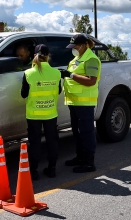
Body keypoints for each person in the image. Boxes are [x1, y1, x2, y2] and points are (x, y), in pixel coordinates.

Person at [59, 33, 101, 173]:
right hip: (74, 101)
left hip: (85, 103)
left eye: (75, 46)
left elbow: (91, 81)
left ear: (83, 46)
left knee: (87, 132)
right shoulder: (77, 58)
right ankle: (80, 157)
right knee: (77, 132)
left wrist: (70, 75)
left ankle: (89, 163)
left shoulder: (91, 59)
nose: (73, 48)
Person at [21, 44, 62, 180]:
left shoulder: (28, 73)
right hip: (50, 113)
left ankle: (33, 172)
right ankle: (52, 169)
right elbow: (59, 91)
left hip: (33, 114)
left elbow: (23, 94)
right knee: (52, 141)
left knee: (35, 143)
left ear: (34, 56)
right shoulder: (56, 73)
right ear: (48, 56)